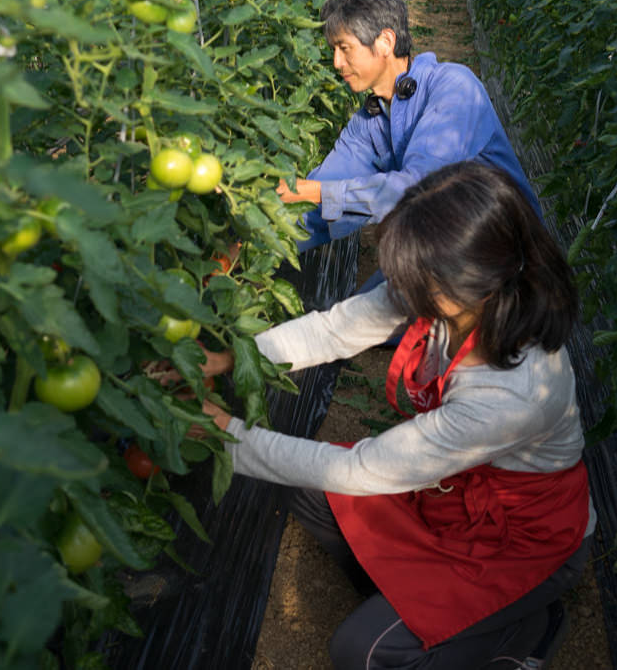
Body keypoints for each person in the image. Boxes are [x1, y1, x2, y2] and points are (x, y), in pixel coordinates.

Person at [194, 161, 593, 669]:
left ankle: (524, 629)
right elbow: (335, 331)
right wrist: (234, 356)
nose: (397, 288)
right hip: (450, 493)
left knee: (362, 652)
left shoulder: (516, 390)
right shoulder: (450, 291)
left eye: (411, 279)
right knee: (312, 488)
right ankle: (420, 605)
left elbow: (362, 469)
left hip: (519, 541)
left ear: (467, 283)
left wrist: (222, 432)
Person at [278, 0, 541, 266]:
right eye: (333, 50)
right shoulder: (370, 120)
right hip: (444, 251)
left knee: (373, 306)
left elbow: (421, 187)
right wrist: (250, 246)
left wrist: (316, 192)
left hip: (506, 260)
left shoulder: (454, 87)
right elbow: (315, 201)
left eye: (344, 48)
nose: (336, 62)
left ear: (385, 42)